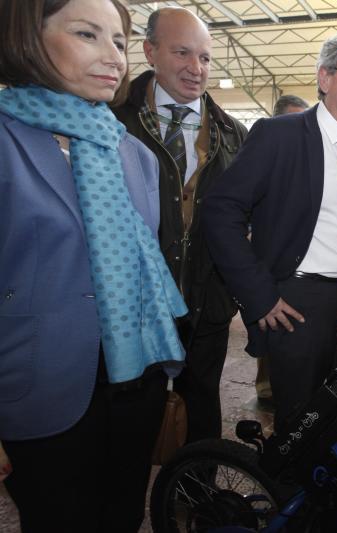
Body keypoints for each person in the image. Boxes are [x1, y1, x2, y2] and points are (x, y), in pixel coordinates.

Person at [0, 0, 188, 531]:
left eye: (120, 42)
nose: (114, 57)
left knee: (122, 515)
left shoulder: (135, 154)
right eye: (87, 34)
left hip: (136, 376)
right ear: (28, 39)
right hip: (38, 385)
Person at [202, 31, 337, 432]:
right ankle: (290, 495)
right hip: (297, 306)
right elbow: (220, 211)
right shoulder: (279, 135)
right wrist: (259, 295)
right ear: (324, 78)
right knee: (300, 431)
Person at [112, 7, 248, 443]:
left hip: (206, 300)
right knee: (132, 410)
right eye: (182, 53)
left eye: (206, 58)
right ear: (150, 51)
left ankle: (199, 500)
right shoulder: (113, 119)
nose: (196, 69)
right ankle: (127, 508)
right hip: (135, 301)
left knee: (203, 405)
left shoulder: (234, 134)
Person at [255, 93, 310, 408]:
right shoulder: (263, 157)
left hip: (300, 269)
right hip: (268, 264)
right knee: (268, 324)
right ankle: (266, 383)